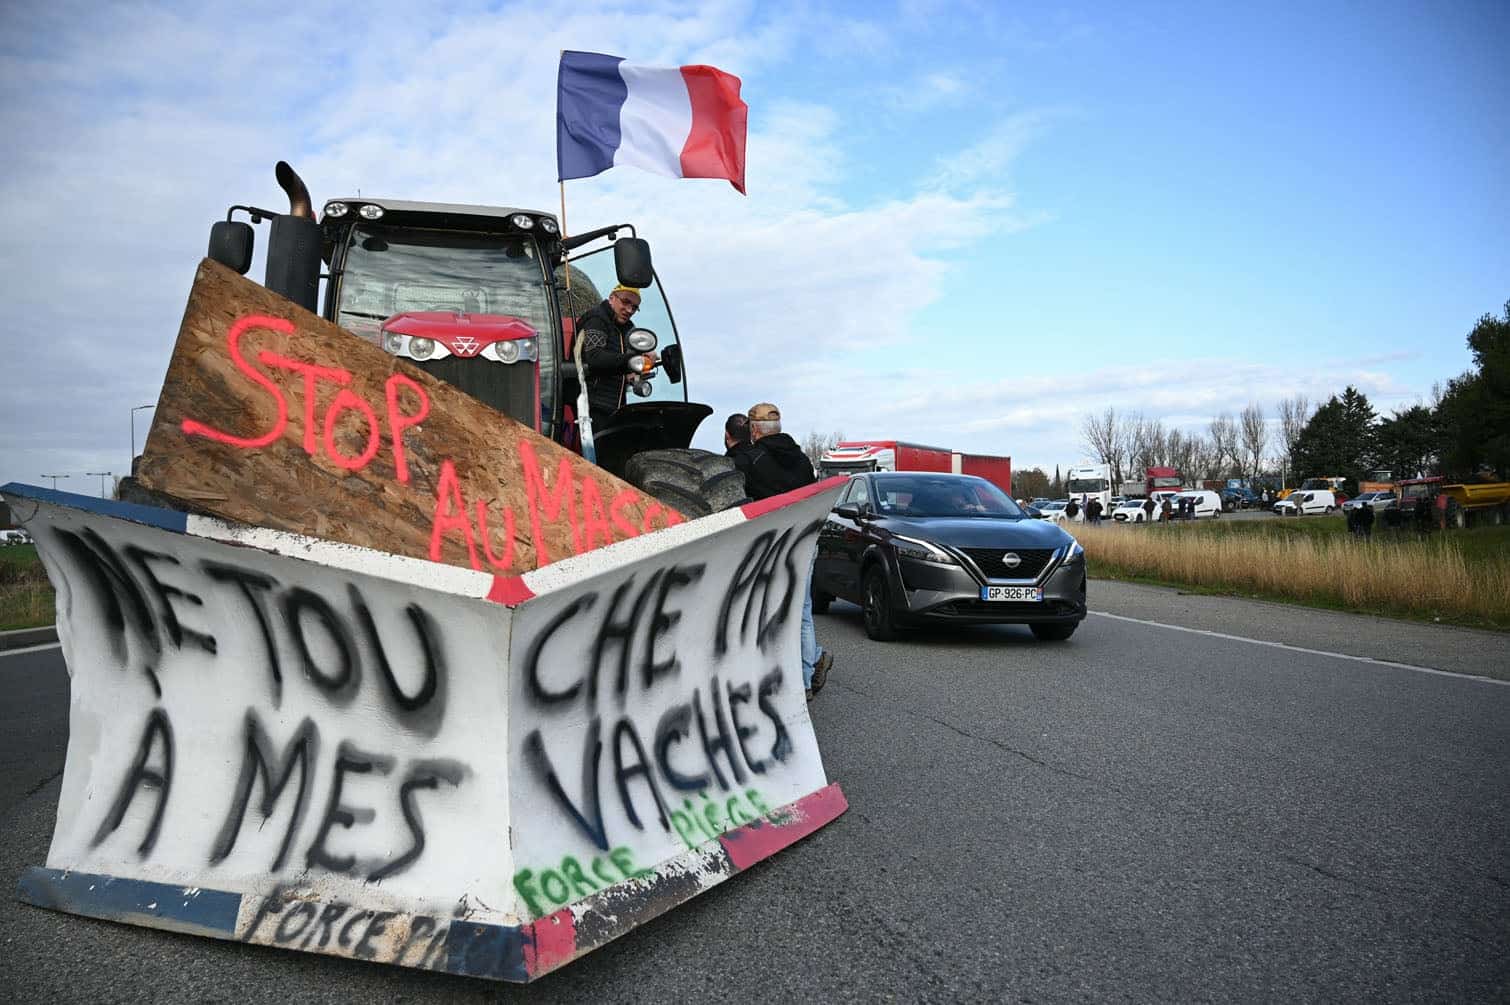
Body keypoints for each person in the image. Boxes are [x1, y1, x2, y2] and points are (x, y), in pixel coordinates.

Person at [743, 402, 832, 699]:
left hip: (770, 544)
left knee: (763, 609)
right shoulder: (802, 459)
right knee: (802, 610)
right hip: (805, 540)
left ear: (754, 430)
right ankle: (805, 680)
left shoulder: (752, 460)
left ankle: (768, 677)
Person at [576, 284, 659, 427]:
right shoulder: (597, 319)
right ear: (612, 298)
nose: (629, 310)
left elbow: (619, 364)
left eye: (634, 307)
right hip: (591, 405)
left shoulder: (626, 329)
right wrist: (632, 361)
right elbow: (595, 358)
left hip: (613, 406)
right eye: (626, 302)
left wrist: (633, 371)